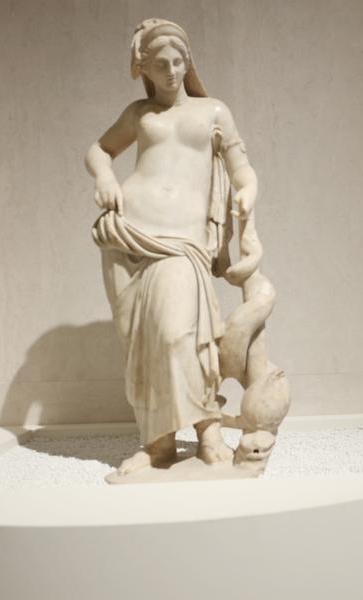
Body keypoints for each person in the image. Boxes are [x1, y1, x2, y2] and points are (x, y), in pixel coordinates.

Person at [84, 18, 259, 476]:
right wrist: (105, 177)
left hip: (182, 240)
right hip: (126, 234)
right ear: (143, 68)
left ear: (188, 60)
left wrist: (246, 191)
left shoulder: (213, 111)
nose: (172, 71)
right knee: (141, 345)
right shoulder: (139, 113)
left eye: (178, 61)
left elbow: (241, 167)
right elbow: (99, 150)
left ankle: (209, 434)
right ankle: (158, 445)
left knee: (177, 334)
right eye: (160, 64)